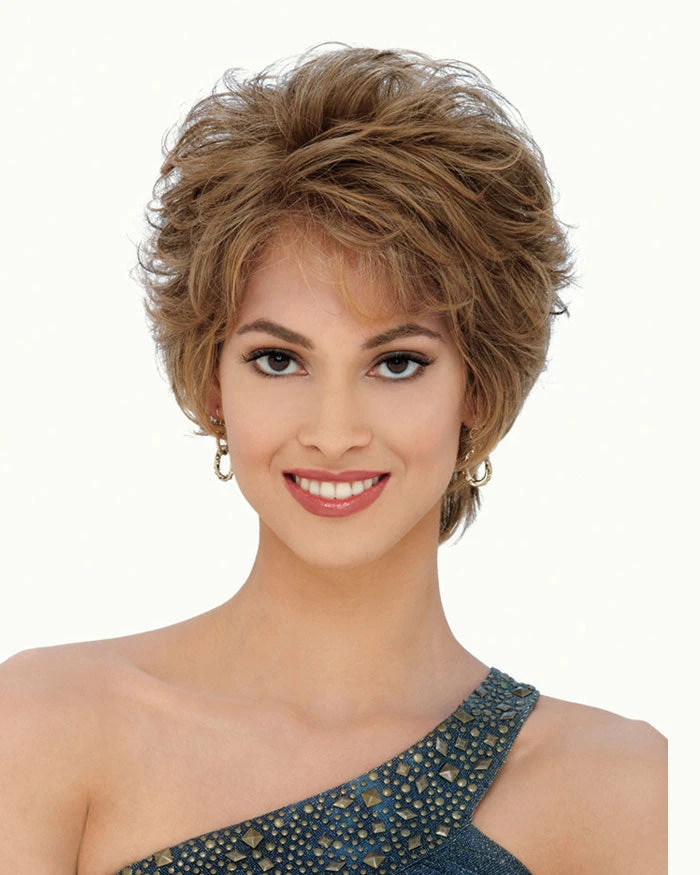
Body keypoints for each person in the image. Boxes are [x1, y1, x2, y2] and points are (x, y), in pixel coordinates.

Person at [0, 46, 666, 875]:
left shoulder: (627, 791)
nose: (334, 431)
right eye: (279, 359)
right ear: (212, 383)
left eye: (397, 362)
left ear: (478, 391)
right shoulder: (47, 725)